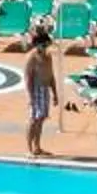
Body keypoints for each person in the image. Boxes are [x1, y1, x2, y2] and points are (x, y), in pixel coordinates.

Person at [23, 29, 59, 158]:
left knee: (41, 119)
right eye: (44, 45)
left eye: (47, 45)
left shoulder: (48, 57)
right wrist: (30, 97)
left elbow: (51, 75)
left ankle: (37, 147)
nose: (46, 48)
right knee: (33, 120)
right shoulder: (31, 58)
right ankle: (29, 149)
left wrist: (55, 93)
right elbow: (27, 79)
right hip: (35, 90)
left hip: (45, 90)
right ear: (38, 45)